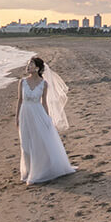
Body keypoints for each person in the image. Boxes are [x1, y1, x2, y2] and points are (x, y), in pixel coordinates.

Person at [16, 56, 76, 184]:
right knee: (26, 143)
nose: (28, 66)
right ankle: (29, 170)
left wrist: (47, 118)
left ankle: (42, 169)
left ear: (37, 68)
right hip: (25, 114)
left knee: (40, 141)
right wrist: (17, 118)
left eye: (31, 64)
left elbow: (44, 103)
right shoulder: (22, 82)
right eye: (28, 64)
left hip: (38, 113)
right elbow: (20, 100)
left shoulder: (44, 84)